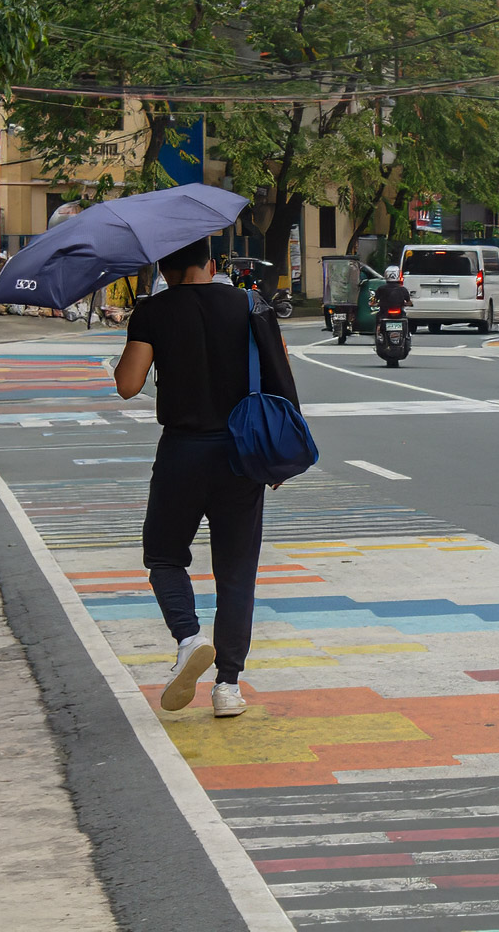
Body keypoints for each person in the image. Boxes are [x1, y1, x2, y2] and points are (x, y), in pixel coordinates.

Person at [113, 237, 301, 718]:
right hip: (242, 453)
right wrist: (278, 456)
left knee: (163, 554)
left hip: (181, 452)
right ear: (211, 264)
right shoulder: (248, 304)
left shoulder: (153, 311)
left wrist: (143, 330)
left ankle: (188, 637)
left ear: (164, 267)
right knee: (236, 574)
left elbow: (128, 385)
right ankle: (228, 687)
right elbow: (281, 375)